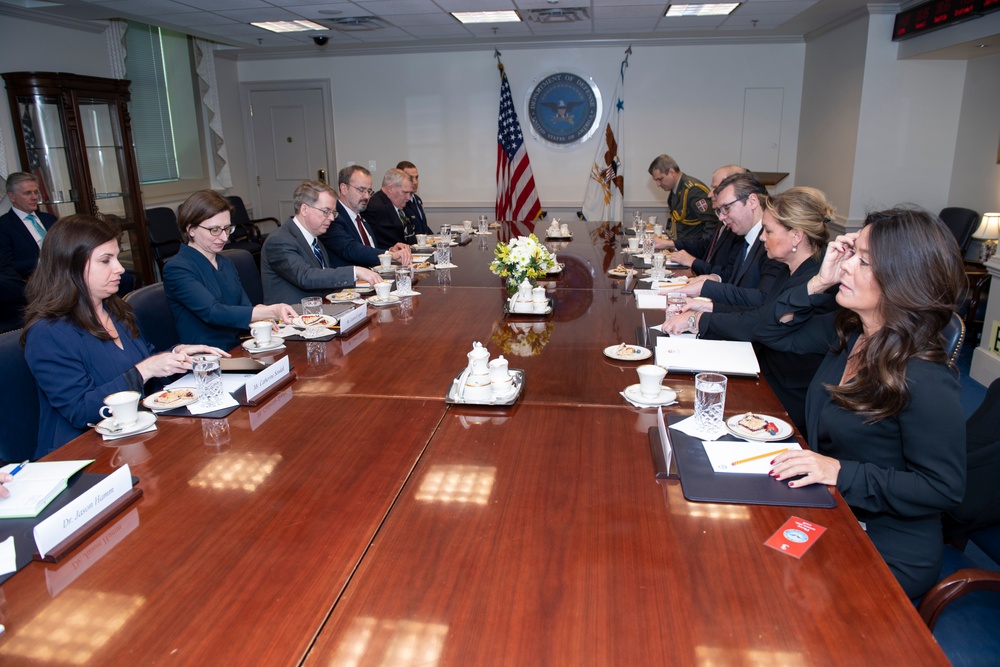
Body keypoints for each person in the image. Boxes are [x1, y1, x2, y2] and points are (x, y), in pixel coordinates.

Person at [759, 208, 967, 600]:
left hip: (886, 546)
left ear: (903, 279)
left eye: (863, 260)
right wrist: (821, 279)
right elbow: (769, 329)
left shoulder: (924, 375)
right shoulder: (853, 333)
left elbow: (943, 488)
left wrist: (840, 472)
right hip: (834, 510)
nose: (847, 266)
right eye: (851, 253)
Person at [22, 215, 227, 457]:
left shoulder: (116, 310)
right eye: (105, 260)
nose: (119, 268)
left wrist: (174, 356)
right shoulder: (47, 334)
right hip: (82, 455)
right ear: (70, 265)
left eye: (117, 258)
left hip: (133, 438)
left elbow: (144, 360)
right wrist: (147, 369)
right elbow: (80, 411)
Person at [662, 187, 834, 431]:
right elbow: (758, 313)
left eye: (769, 230)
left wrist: (698, 320)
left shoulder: (816, 281)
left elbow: (760, 324)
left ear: (796, 236)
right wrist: (705, 309)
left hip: (784, 398)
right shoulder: (789, 269)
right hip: (763, 374)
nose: (762, 237)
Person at [163, 190, 297, 350]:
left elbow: (244, 307)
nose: (224, 237)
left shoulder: (225, 262)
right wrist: (270, 311)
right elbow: (213, 312)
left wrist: (264, 315)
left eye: (227, 228)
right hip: (207, 357)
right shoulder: (177, 268)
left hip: (240, 346)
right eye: (214, 230)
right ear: (191, 229)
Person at [662, 172, 783, 311]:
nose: (721, 217)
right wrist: (714, 280)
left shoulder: (774, 241)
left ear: (752, 202)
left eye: (727, 208)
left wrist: (708, 290)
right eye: (720, 210)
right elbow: (735, 283)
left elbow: (763, 299)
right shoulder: (746, 235)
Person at [261, 180, 381, 304]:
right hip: (292, 316)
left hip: (320, 309)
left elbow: (324, 280)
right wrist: (355, 271)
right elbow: (306, 277)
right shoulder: (279, 240)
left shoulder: (316, 239)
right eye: (326, 211)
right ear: (304, 209)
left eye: (333, 213)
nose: (331, 218)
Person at [659, 164, 745, 275]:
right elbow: (705, 245)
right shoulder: (723, 220)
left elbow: (727, 275)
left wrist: (692, 261)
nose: (709, 194)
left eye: (715, 188)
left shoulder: (739, 228)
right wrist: (670, 243)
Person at [320, 165, 411, 269]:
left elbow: (369, 248)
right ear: (344, 189)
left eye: (369, 191)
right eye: (361, 190)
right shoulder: (333, 217)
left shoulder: (360, 217)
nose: (367, 196)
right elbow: (352, 249)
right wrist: (389, 255)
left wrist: (391, 250)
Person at [0, 172, 57, 328]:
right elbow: (8, 266)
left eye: (35, 192)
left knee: (124, 280)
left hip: (64, 273)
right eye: (27, 193)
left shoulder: (49, 219)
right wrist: (41, 262)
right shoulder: (4, 225)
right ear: (12, 197)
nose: (34, 197)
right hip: (34, 281)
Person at [647, 155, 716, 242]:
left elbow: (711, 223)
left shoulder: (694, 190)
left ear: (672, 172)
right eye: (656, 180)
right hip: (684, 246)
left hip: (696, 250)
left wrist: (704, 251)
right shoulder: (676, 190)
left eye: (660, 179)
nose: (658, 184)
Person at [364, 169, 419, 248]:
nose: (409, 198)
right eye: (405, 192)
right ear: (390, 188)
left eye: (410, 193)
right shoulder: (375, 208)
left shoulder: (399, 204)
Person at [397, 161, 432, 236]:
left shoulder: (417, 199)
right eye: (411, 178)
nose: (415, 182)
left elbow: (424, 227)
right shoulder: (399, 202)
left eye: (416, 177)